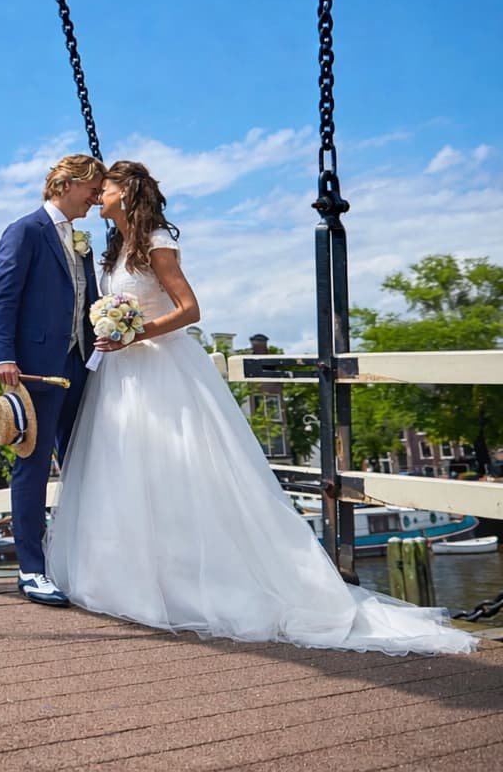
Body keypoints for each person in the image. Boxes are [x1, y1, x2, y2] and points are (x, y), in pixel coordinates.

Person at [45, 161, 475, 654]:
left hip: (158, 367)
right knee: (127, 470)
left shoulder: (156, 241)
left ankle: (197, 585)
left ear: (128, 192)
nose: (99, 193)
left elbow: (189, 310)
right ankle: (137, 577)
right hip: (121, 374)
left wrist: (133, 332)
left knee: (176, 467)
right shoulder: (116, 247)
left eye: (108, 187)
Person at [0, 154, 105, 606]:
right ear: (64, 184)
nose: (96, 198)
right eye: (92, 189)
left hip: (80, 364)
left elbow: (87, 300)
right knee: (33, 466)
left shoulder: (82, 241)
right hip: (34, 367)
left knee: (84, 460)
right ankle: (32, 570)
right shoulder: (25, 231)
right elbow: (5, 295)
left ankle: (77, 561)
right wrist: (3, 356)